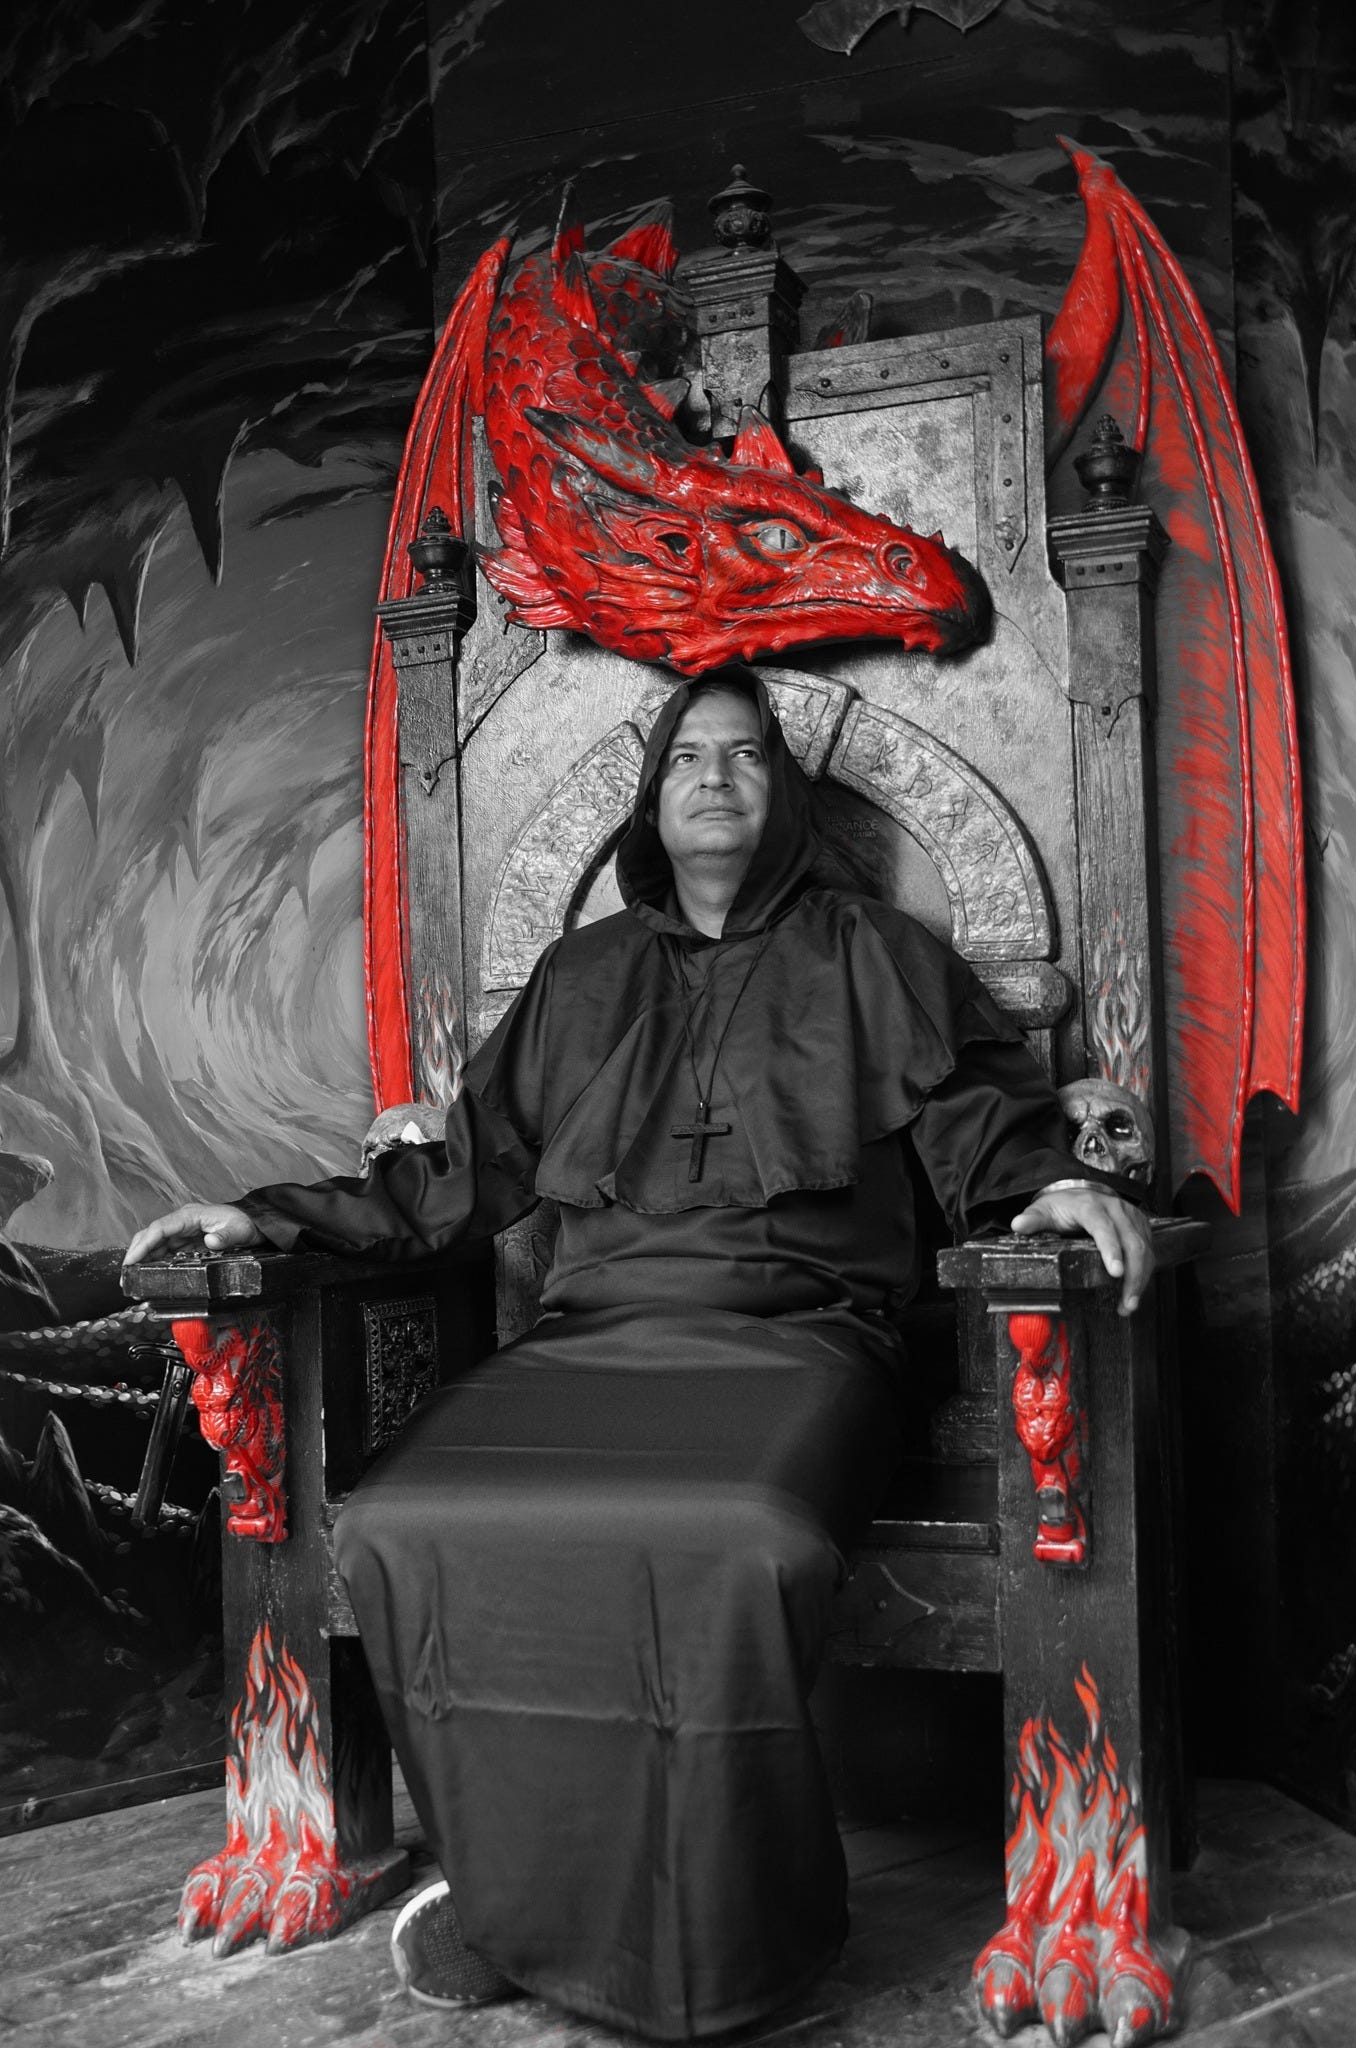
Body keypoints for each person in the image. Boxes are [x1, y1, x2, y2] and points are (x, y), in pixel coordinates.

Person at [125, 671, 1152, 2040]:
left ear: (786, 794)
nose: (716, 776)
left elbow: (979, 1122)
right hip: (590, 1346)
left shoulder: (875, 951)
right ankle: (525, 1902)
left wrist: (1054, 1188)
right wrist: (266, 1218)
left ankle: (726, 1942)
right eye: (687, 758)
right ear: (651, 804)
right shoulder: (580, 976)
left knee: (739, 1539)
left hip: (801, 1343)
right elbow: (463, 1172)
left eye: (746, 754)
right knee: (402, 1520)